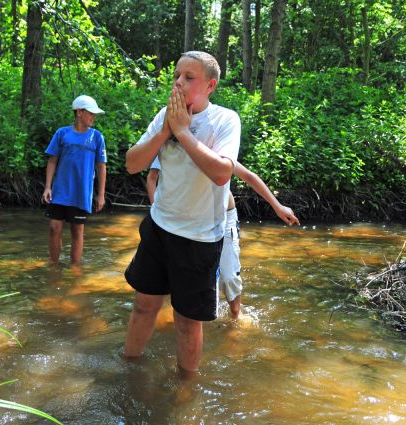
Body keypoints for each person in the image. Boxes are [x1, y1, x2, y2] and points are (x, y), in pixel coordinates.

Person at [122, 51, 240, 375]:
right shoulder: (165, 116)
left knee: (187, 322)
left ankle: (186, 390)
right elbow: (132, 164)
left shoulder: (225, 120)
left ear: (210, 85)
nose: (178, 82)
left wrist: (183, 132)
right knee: (143, 306)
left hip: (200, 238)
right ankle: (127, 369)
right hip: (159, 228)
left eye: (189, 77)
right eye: (176, 75)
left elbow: (221, 174)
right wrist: (166, 130)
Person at [146, 158, 300, 319]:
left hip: (225, 217)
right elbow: (152, 177)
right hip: (191, 221)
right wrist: (157, 214)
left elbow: (248, 176)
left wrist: (277, 206)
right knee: (191, 279)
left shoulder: (218, 150)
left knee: (229, 278)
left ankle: (235, 316)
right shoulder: (173, 148)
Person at [41, 95, 107, 264]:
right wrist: (47, 187)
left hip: (81, 193)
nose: (94, 117)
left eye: (95, 114)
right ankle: (53, 267)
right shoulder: (62, 133)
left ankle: (74, 270)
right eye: (91, 113)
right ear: (79, 112)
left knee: (77, 230)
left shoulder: (97, 137)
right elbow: (52, 160)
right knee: (54, 227)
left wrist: (101, 195)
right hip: (60, 191)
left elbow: (101, 166)